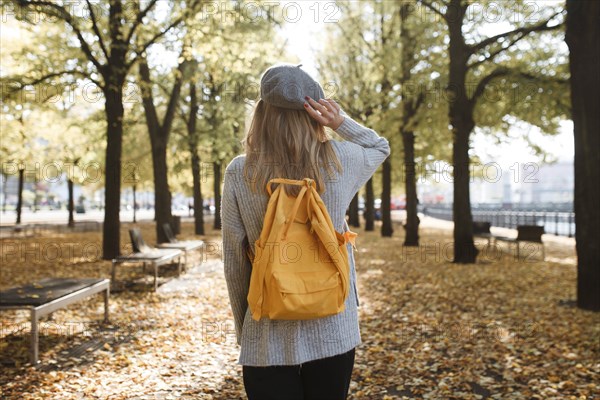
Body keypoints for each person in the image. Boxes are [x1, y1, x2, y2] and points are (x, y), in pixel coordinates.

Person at [221, 63, 390, 399]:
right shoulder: (340, 159)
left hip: (267, 330)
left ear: (261, 113)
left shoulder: (242, 171)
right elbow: (379, 146)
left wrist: (246, 328)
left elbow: (234, 259)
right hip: (334, 328)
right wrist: (341, 122)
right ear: (315, 111)